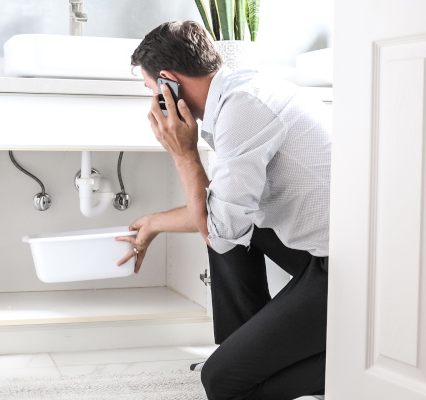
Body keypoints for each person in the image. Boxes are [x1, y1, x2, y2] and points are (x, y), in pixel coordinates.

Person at [115, 20, 331, 400]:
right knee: (231, 225)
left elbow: (218, 232)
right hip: (329, 248)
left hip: (351, 270)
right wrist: (153, 223)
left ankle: (346, 364)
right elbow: (222, 215)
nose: (152, 99)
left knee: (223, 382)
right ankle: (244, 348)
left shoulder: (242, 110)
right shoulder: (239, 93)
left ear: (168, 82)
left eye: (151, 90)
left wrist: (184, 155)